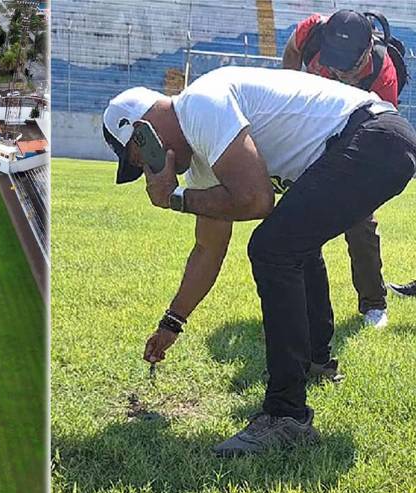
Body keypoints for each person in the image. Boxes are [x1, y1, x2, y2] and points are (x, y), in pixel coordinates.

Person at [102, 66, 416, 457]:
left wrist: (173, 198)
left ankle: (287, 416)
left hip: (373, 138)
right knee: (292, 241)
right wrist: (172, 322)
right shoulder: (201, 154)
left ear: (142, 133)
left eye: (139, 158)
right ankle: (316, 362)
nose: (147, 169)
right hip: (373, 140)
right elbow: (208, 249)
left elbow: (255, 200)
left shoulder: (199, 106)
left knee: (272, 248)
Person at [282, 9, 404, 328]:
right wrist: (290, 86)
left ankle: (374, 305)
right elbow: (293, 48)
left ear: (366, 50)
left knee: (361, 223)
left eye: (347, 64)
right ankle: (298, 304)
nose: (337, 70)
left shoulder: (384, 76)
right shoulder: (313, 31)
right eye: (333, 59)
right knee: (292, 218)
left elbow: (381, 135)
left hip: (356, 141)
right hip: (307, 132)